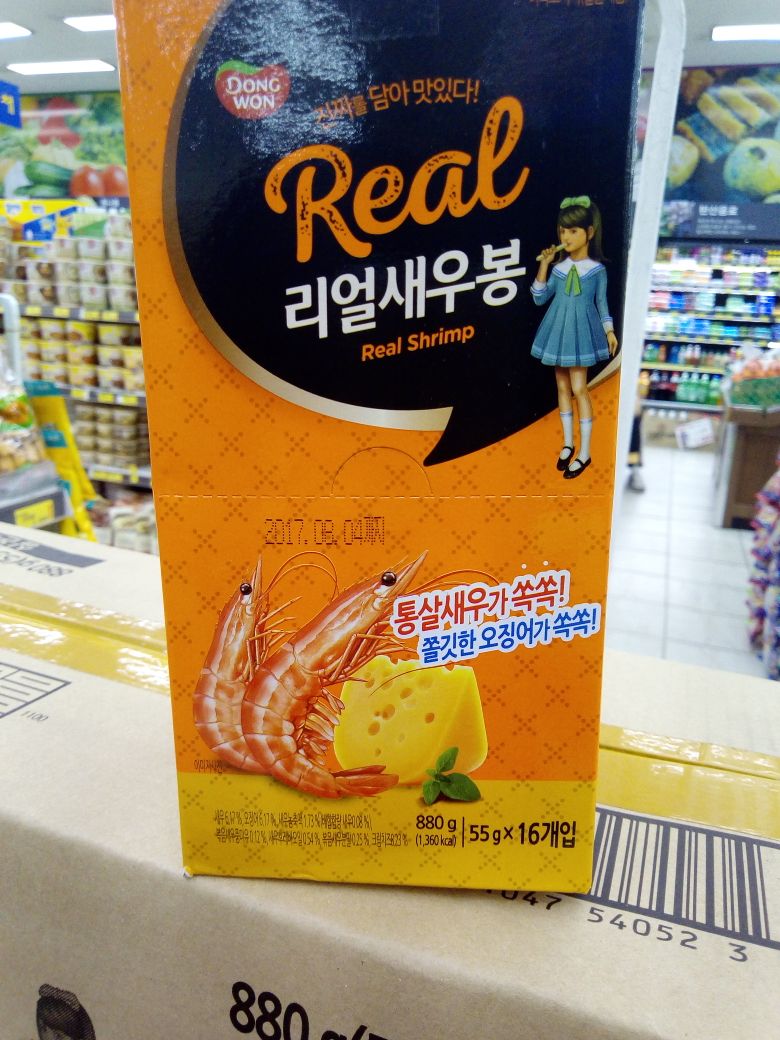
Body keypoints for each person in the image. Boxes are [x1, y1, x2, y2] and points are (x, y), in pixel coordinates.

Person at [531, 195, 618, 479]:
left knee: (580, 388)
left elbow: (602, 303)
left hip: (581, 332)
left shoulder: (597, 271)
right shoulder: (558, 268)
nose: (566, 237)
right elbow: (539, 298)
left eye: (573, 230)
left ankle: (586, 452)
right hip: (558, 330)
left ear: (589, 232)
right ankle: (568, 444)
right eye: (562, 231)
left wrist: (609, 330)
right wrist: (544, 265)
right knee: (561, 387)